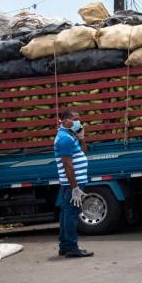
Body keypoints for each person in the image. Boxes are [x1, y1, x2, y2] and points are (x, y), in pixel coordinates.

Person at [54, 109, 93, 257]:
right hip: (72, 183)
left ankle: (65, 245)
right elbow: (67, 165)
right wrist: (75, 187)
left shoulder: (70, 136)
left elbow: (84, 152)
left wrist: (81, 137)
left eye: (79, 118)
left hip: (73, 182)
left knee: (66, 212)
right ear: (64, 121)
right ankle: (71, 247)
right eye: (75, 119)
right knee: (71, 214)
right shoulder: (65, 138)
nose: (78, 122)